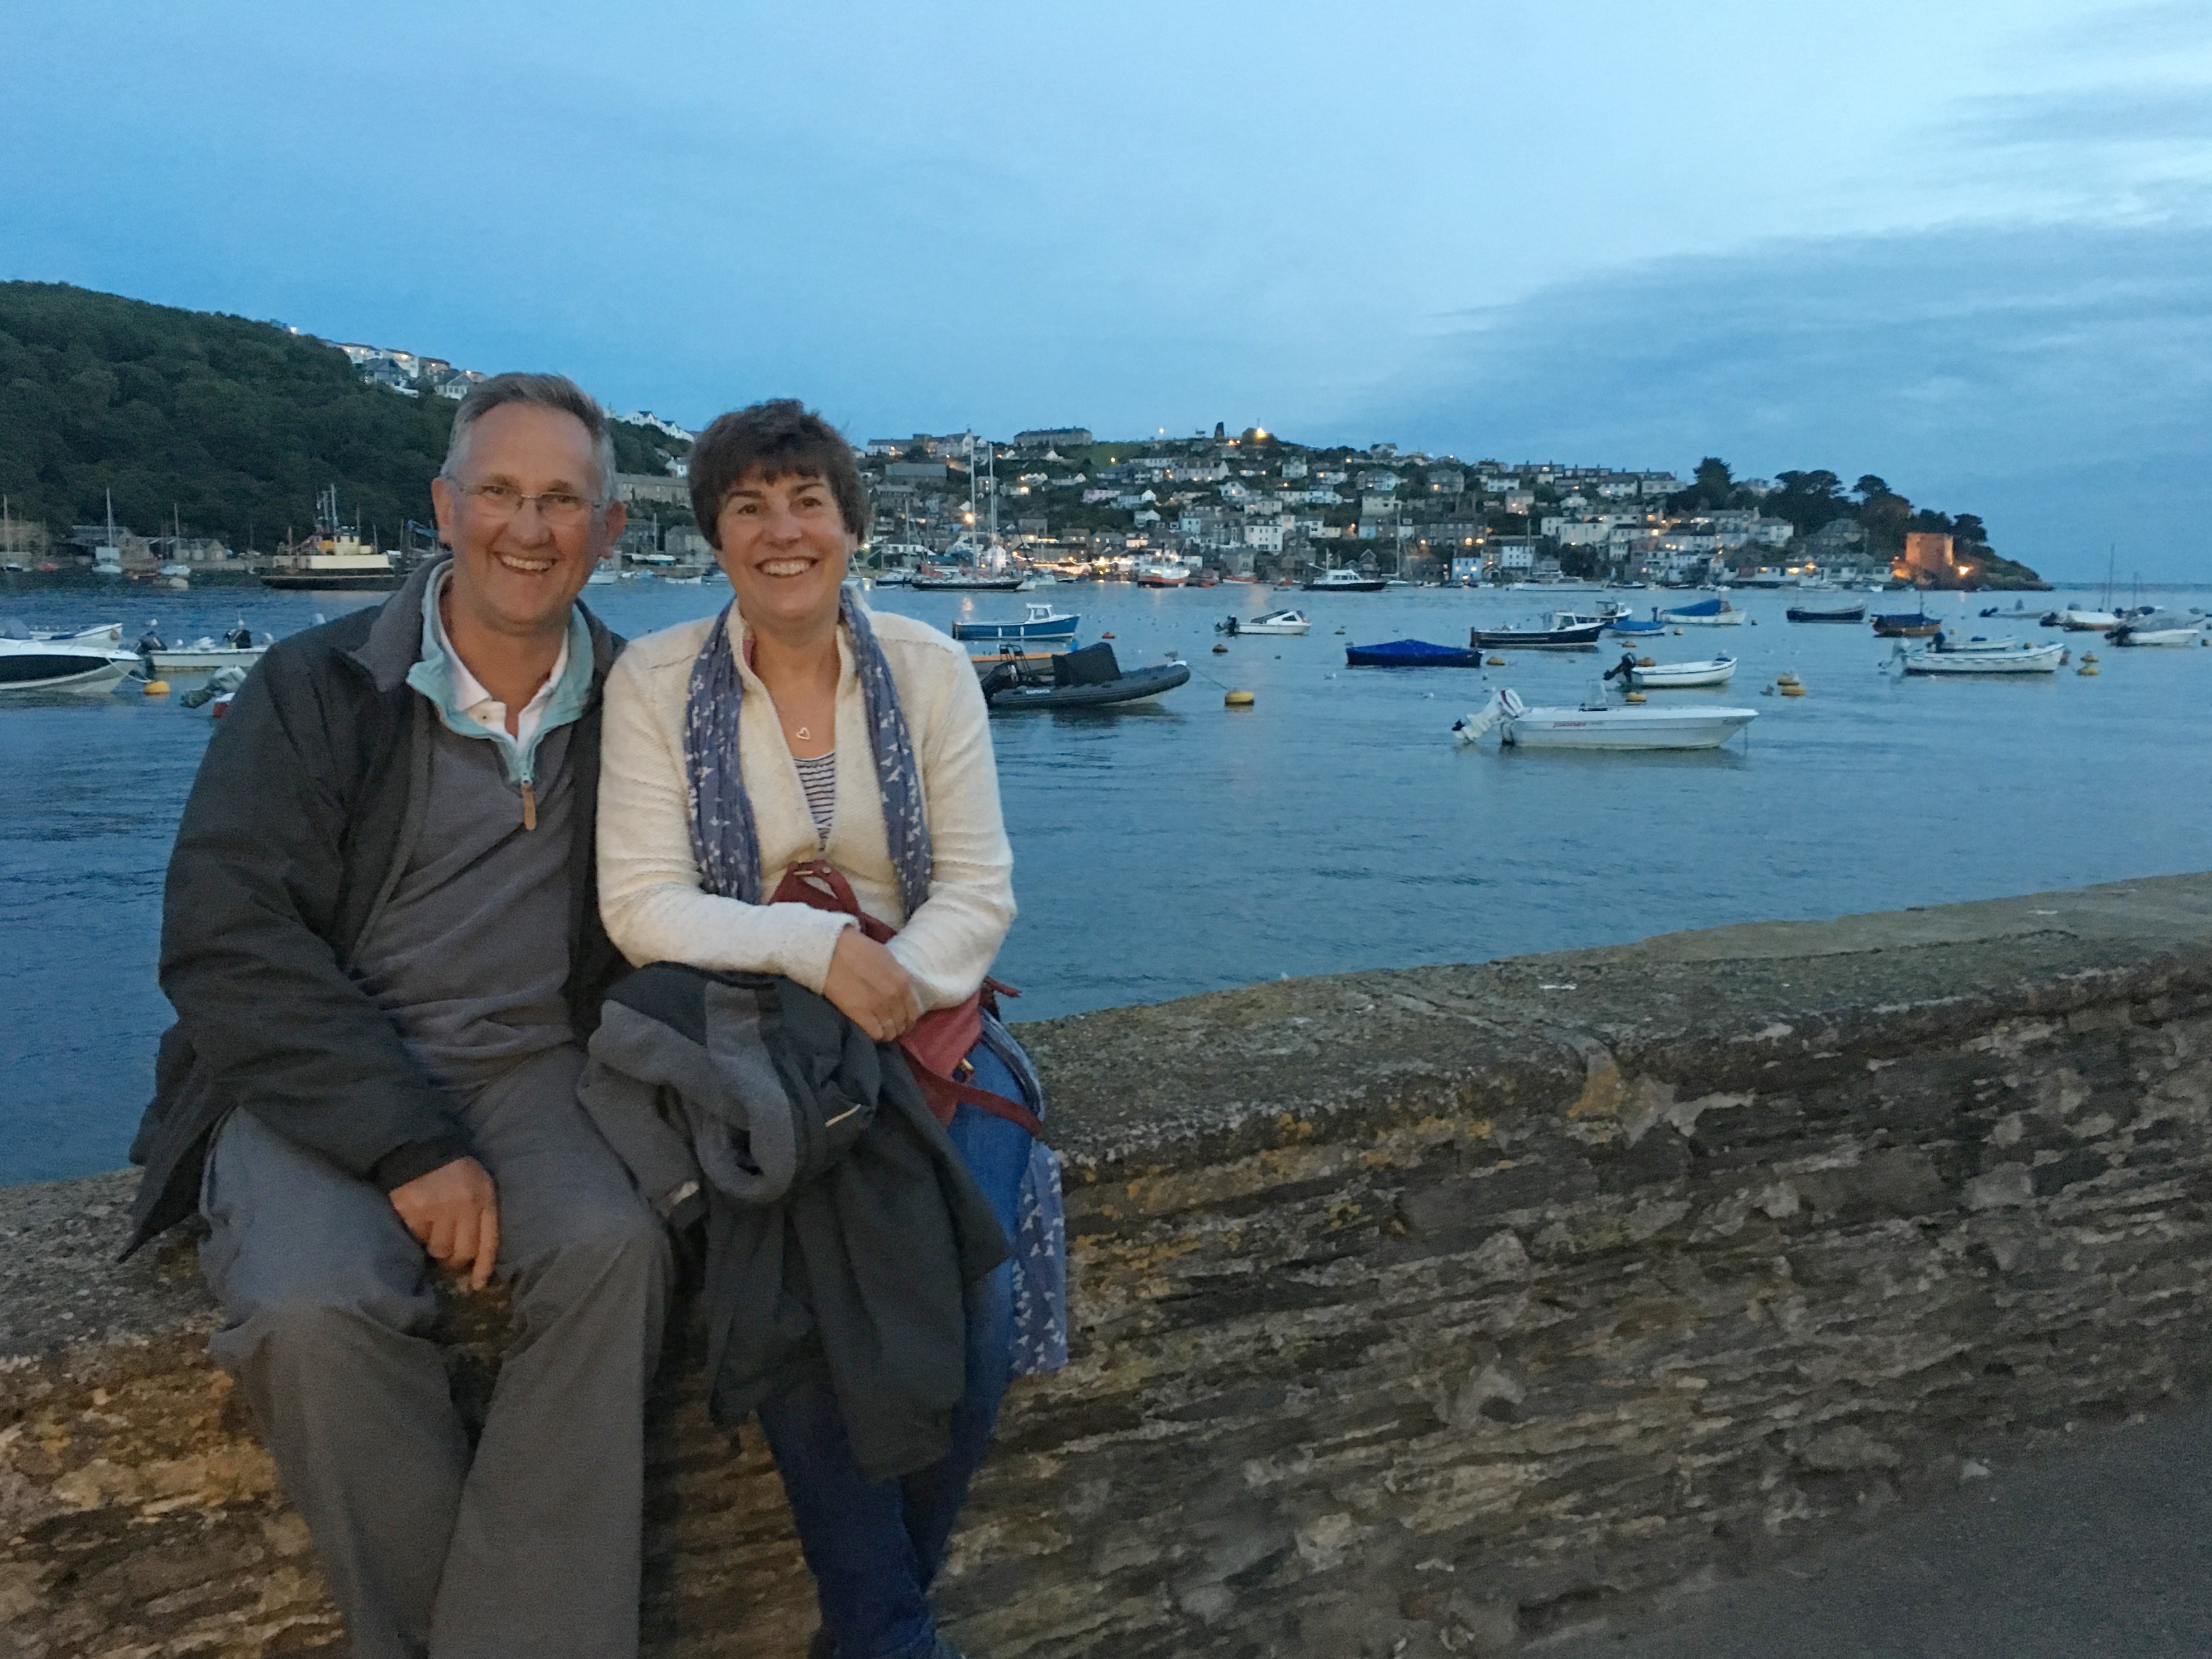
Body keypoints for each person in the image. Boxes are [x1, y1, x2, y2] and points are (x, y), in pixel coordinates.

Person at [125, 373, 671, 1659]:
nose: (526, 528)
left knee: (618, 1253)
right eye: (498, 492)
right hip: (324, 1068)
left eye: (561, 500)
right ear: (443, 506)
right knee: (309, 1311)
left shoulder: (643, 704)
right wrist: (408, 1142)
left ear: (606, 530)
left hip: (538, 1063)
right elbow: (227, 938)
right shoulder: (315, 688)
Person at [595, 398, 1062, 1659]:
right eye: (748, 506)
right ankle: (888, 1635)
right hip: (755, 1045)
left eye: (806, 501)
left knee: (973, 1289)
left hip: (927, 1030)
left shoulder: (927, 668)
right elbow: (640, 904)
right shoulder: (654, 683)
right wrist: (818, 953)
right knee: (800, 1298)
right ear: (714, 537)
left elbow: (978, 891)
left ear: (851, 525)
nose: (781, 530)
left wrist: (888, 987)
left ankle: (873, 1630)